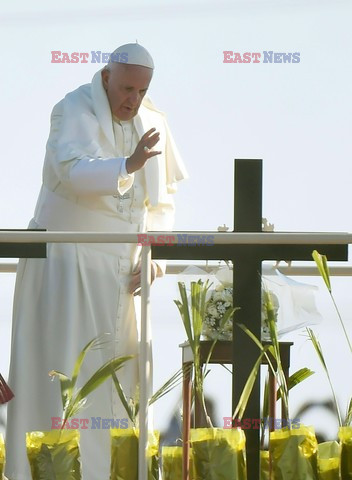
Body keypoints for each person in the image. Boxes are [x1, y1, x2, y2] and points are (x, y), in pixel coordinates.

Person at [5, 43, 187, 479]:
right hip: (67, 270)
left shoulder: (154, 122)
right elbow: (74, 171)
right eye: (126, 88)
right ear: (106, 77)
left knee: (122, 390)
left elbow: (163, 205)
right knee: (61, 381)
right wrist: (127, 163)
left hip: (124, 282)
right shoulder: (72, 110)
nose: (133, 100)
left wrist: (156, 259)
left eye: (142, 91)